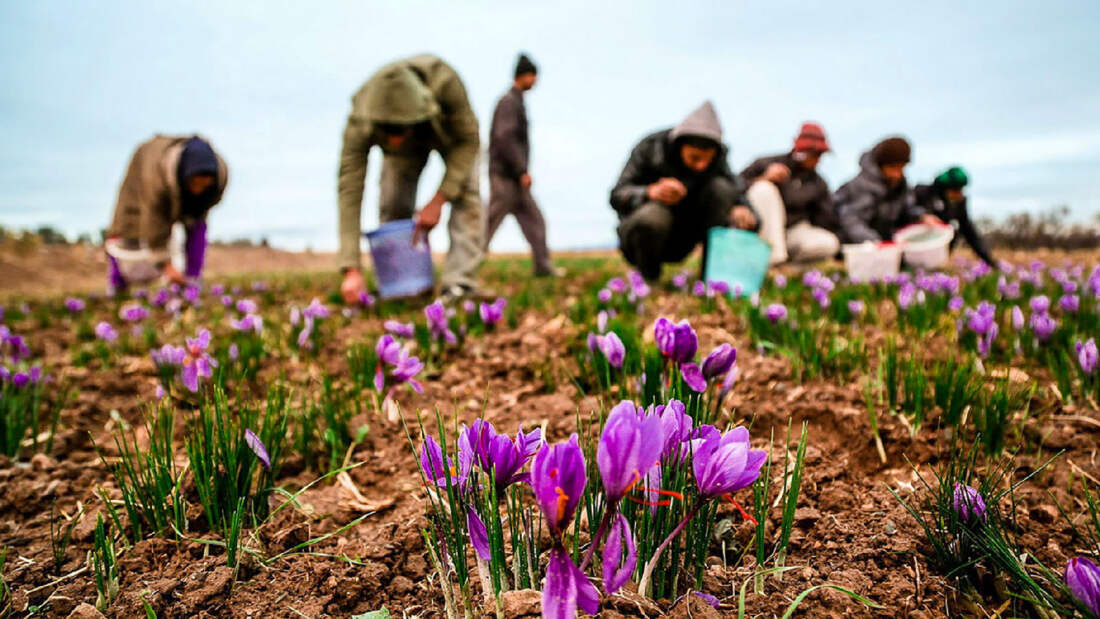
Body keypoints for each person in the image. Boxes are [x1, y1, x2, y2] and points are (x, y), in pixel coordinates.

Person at [337, 54, 482, 303]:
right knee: (393, 199)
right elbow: (349, 187)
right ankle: (402, 283)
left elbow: (469, 141)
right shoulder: (361, 117)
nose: (394, 139)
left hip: (449, 137)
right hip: (404, 153)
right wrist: (351, 267)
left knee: (466, 192)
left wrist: (438, 199)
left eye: (399, 131)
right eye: (388, 131)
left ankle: (459, 284)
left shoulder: (446, 84)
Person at [610, 101, 757, 282]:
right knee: (653, 216)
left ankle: (711, 281)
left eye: (707, 160)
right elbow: (617, 194)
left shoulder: (719, 160)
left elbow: (737, 190)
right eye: (694, 157)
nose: (701, 165)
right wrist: (650, 192)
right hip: (645, 236)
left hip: (687, 235)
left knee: (722, 189)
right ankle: (648, 279)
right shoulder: (650, 147)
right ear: (679, 146)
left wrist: (742, 208)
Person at [105, 135, 228, 294]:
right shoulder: (157, 178)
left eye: (204, 185)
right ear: (185, 176)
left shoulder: (217, 178)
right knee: (128, 225)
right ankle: (117, 283)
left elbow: (198, 225)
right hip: (146, 170)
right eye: (195, 183)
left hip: (177, 181)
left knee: (196, 223)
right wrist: (165, 264)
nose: (199, 189)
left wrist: (192, 273)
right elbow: (154, 222)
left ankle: (193, 279)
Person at [485, 53, 556, 276]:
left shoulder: (517, 101)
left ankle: (543, 268)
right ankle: (463, 269)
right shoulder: (509, 102)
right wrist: (520, 170)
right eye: (533, 76)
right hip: (506, 177)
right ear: (523, 76)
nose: (535, 81)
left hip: (514, 178)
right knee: (489, 222)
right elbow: (504, 138)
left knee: (535, 221)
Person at [740, 122, 839, 264]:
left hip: (793, 233)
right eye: (813, 154)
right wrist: (765, 178)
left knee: (829, 242)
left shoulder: (818, 183)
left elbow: (827, 219)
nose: (817, 159)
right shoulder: (765, 163)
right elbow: (735, 188)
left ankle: (788, 266)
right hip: (759, 231)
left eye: (819, 154)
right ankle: (773, 261)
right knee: (764, 188)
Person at [834, 136, 940, 243]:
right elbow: (852, 222)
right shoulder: (859, 186)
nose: (897, 174)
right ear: (880, 165)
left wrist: (921, 217)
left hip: (889, 246)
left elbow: (907, 210)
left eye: (901, 167)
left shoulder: (901, 186)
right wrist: (875, 242)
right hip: (860, 246)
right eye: (893, 167)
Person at [914, 166, 994, 266]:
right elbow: (907, 211)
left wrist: (989, 261)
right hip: (917, 243)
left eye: (961, 189)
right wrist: (922, 215)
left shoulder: (959, 202)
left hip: (939, 249)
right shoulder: (923, 192)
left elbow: (969, 232)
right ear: (945, 188)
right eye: (956, 190)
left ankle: (938, 266)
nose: (959, 194)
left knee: (954, 229)